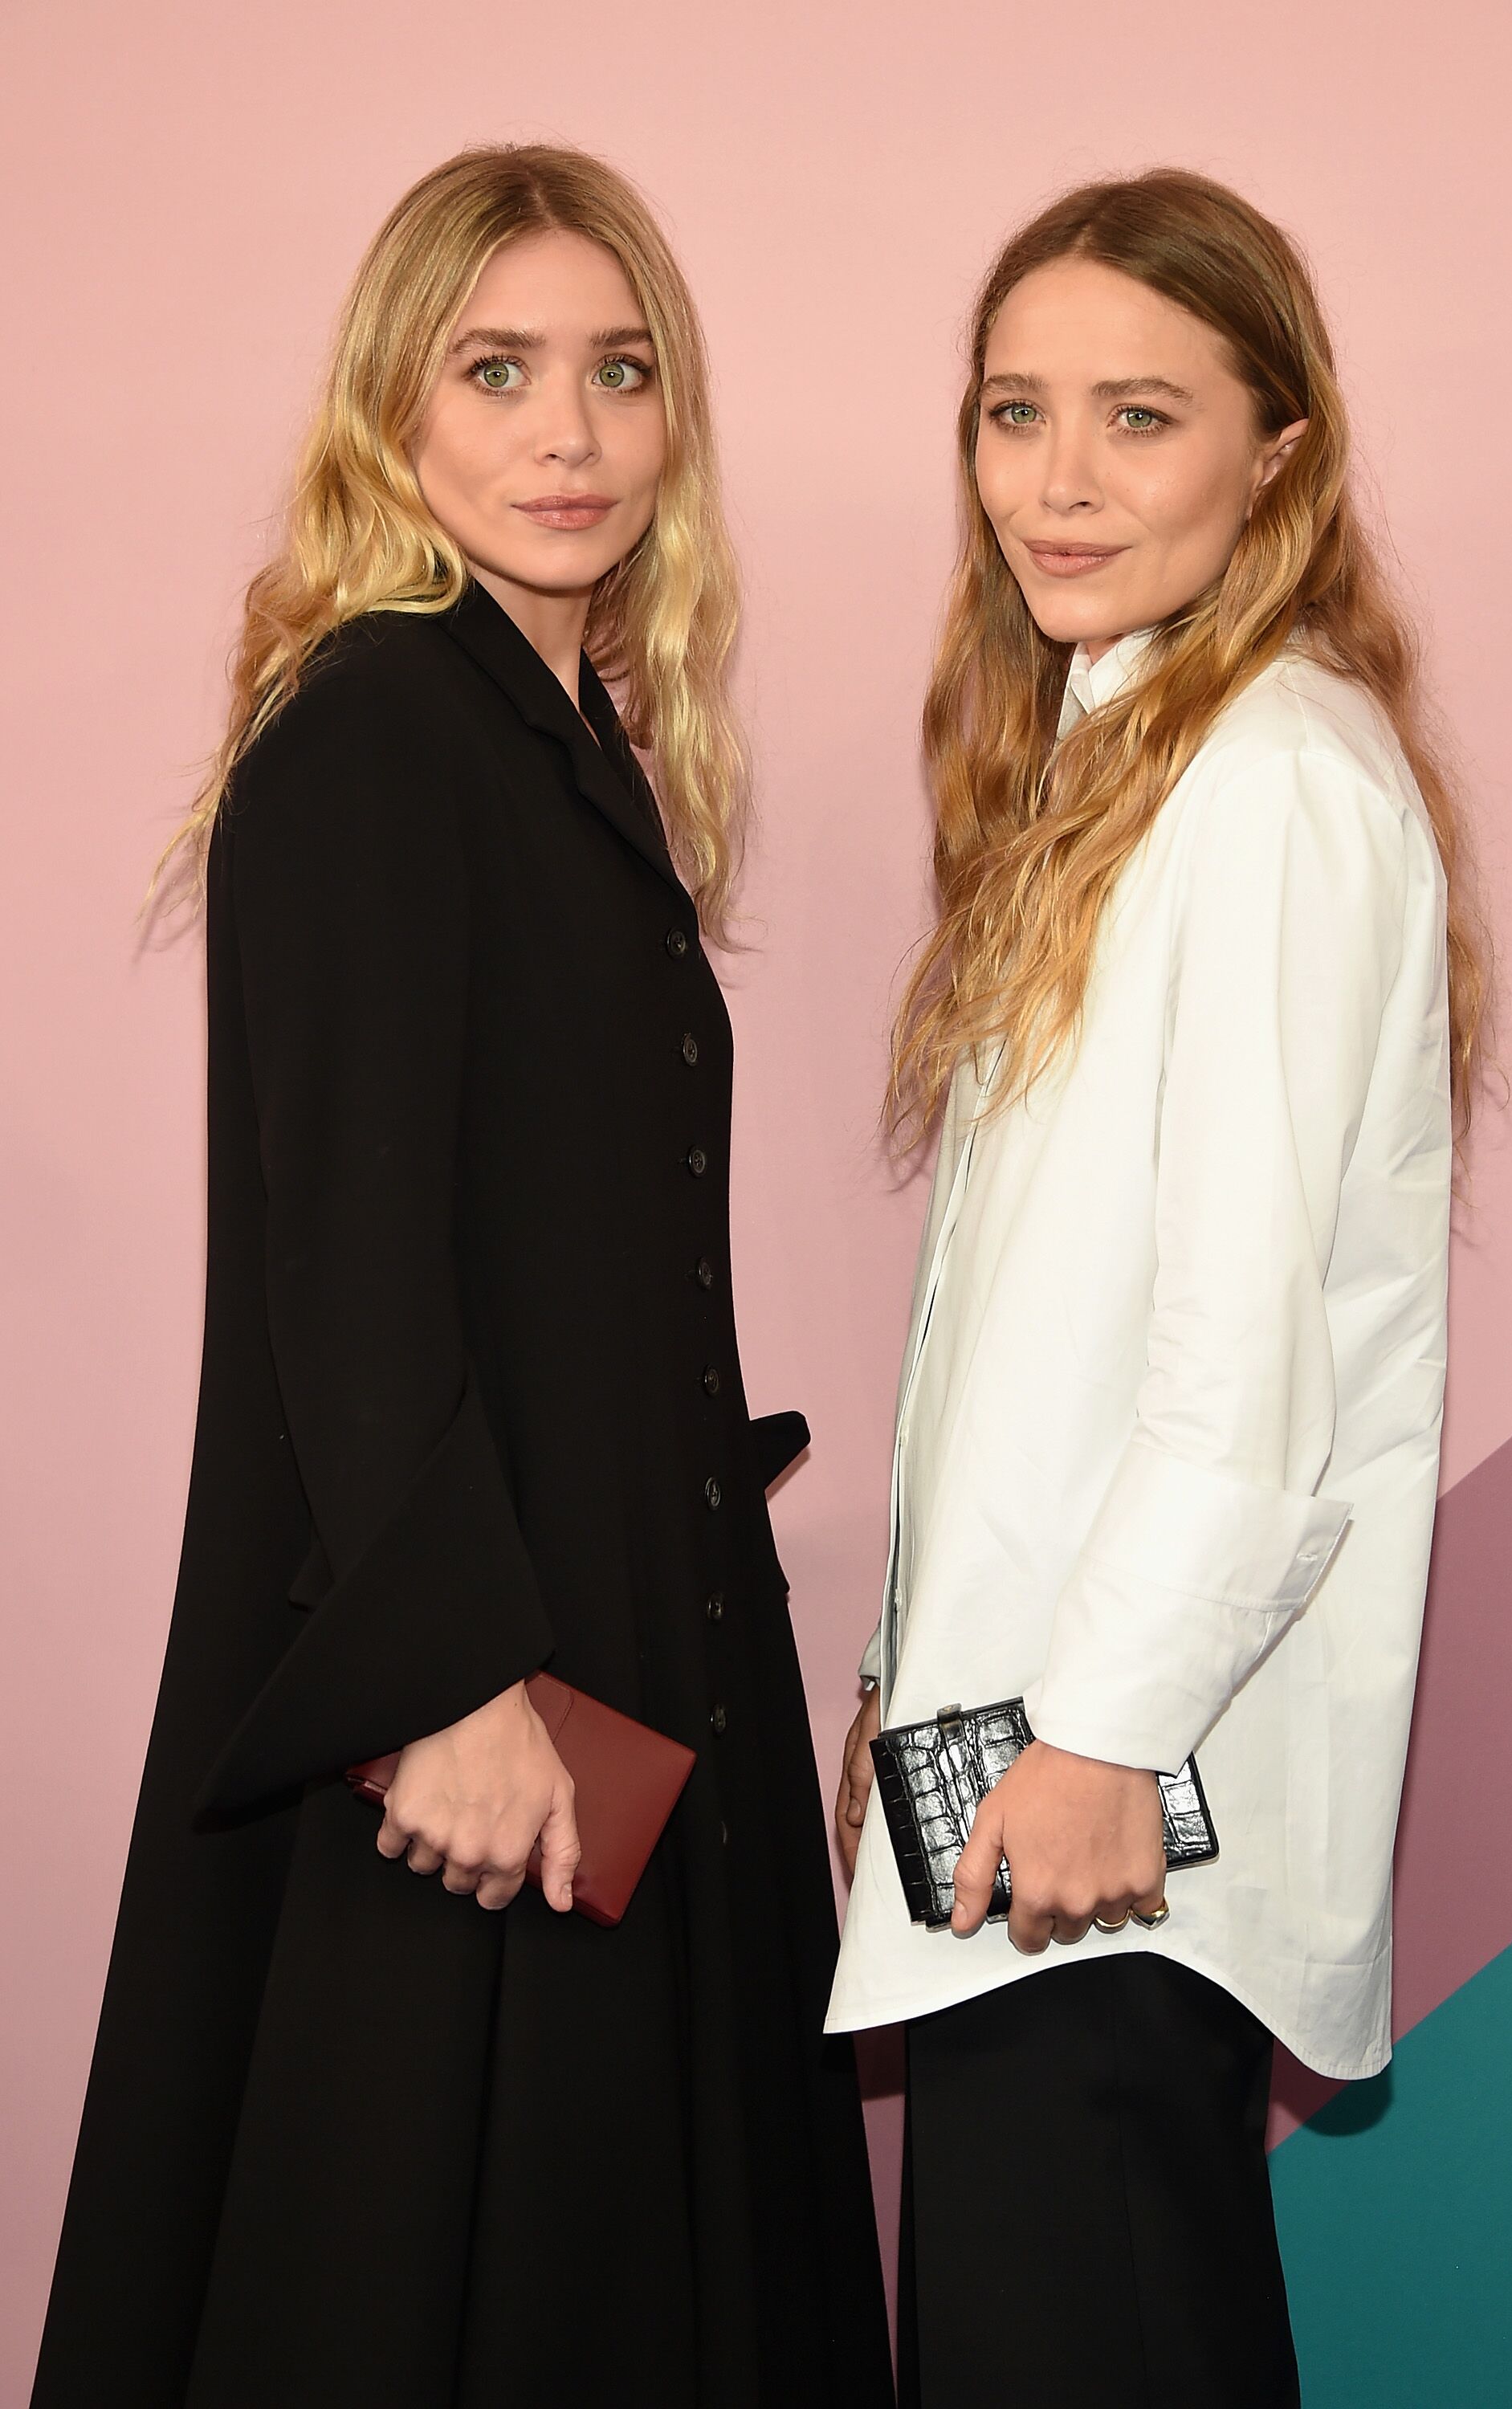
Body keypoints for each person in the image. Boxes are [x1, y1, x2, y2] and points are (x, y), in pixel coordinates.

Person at [33, 143, 893, 2409]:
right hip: (483, 1678)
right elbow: (348, 1261)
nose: (569, 434)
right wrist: (451, 1687)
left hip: (614, 1626)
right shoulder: (378, 725)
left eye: (618, 375)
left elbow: (551, 1232)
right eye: (496, 371)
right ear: (391, 413)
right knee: (438, 2267)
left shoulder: (564, 740)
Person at [830, 169, 1485, 2406]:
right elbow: (1021, 1360)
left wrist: (1100, 1731)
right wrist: (903, 1699)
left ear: (1272, 450)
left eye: (1137, 414)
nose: (1059, 481)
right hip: (1030, 1762)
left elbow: (1246, 1352)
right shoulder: (1124, 755)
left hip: (1113, 1783)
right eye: (1014, 415)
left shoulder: (1273, 779)